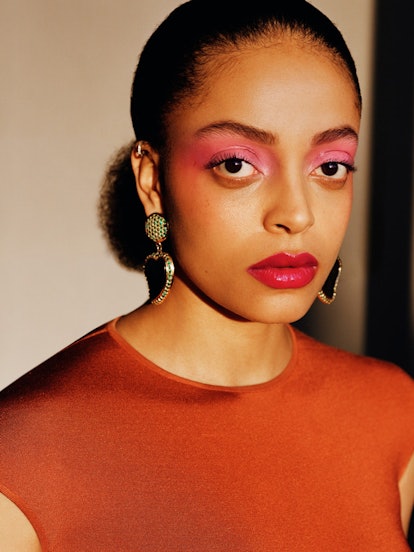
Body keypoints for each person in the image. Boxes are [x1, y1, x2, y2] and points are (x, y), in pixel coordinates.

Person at [1, 0, 413, 549]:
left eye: (330, 167)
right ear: (151, 180)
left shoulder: (391, 414)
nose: (297, 213)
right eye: (237, 165)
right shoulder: (25, 457)